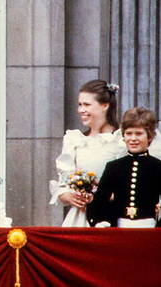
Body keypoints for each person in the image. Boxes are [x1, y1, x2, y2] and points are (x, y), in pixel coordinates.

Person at [49, 79, 126, 227]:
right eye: (80, 104)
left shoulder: (120, 140)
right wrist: (68, 196)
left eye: (86, 105)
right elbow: (64, 182)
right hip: (81, 218)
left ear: (105, 106)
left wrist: (102, 196)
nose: (80, 110)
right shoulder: (75, 140)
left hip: (112, 216)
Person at [87, 107, 161, 228]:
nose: (133, 139)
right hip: (118, 228)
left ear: (150, 136)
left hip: (149, 228)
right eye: (129, 133)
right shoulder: (113, 167)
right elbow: (98, 202)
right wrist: (99, 222)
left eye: (139, 134)